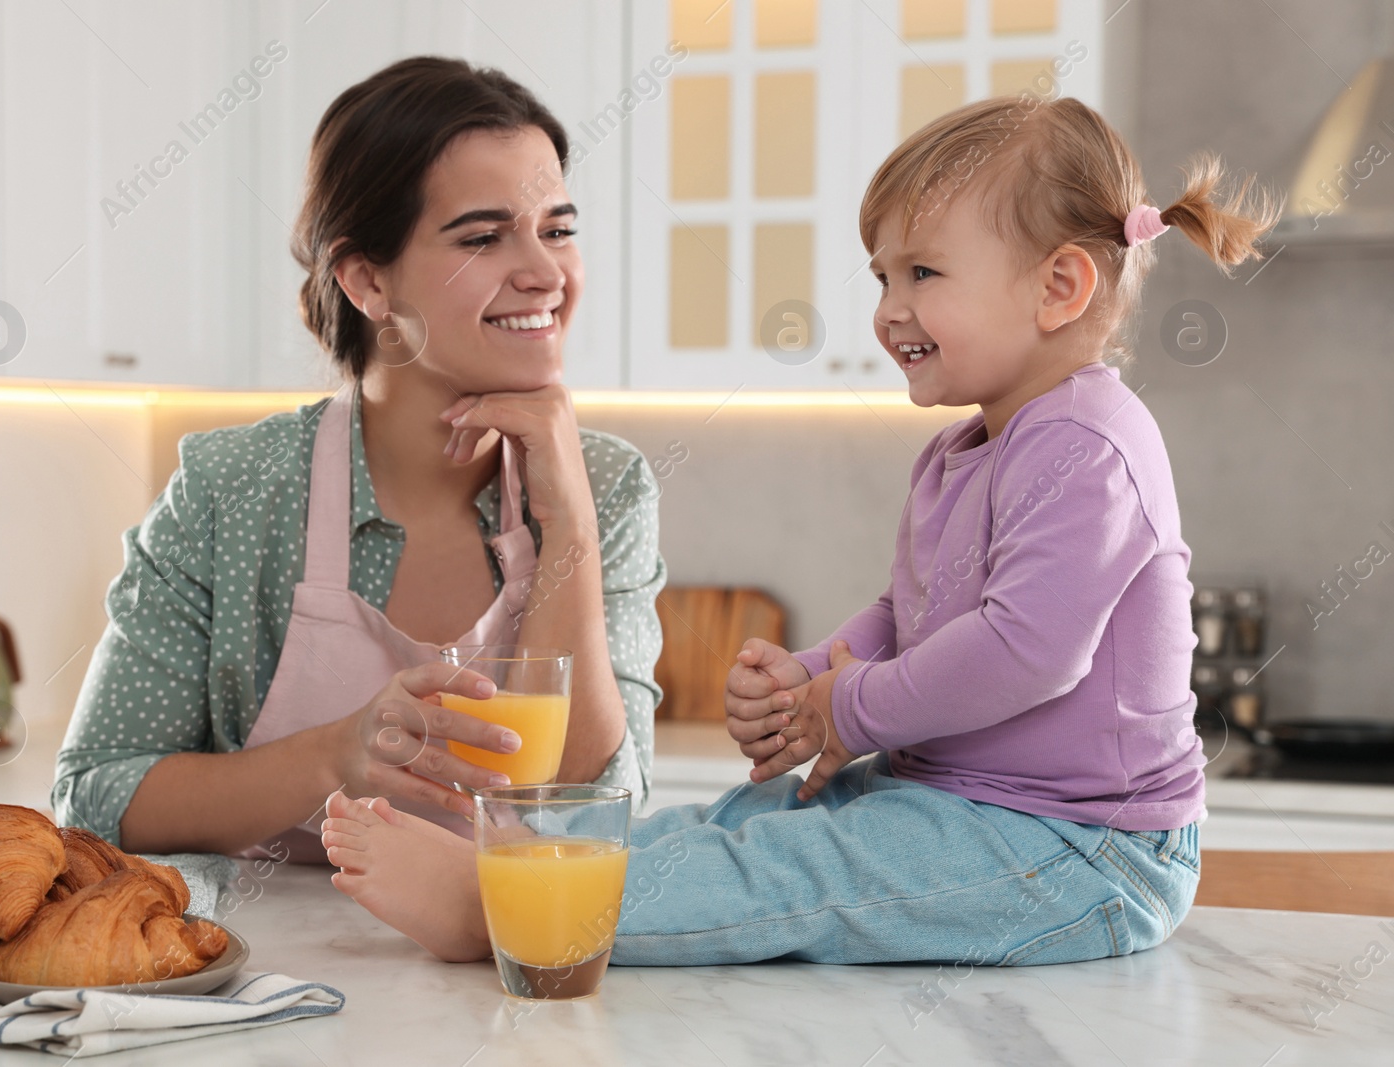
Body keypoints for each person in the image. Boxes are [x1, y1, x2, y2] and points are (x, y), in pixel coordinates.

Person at [320, 93, 1280, 967]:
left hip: (1084, 849)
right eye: (882, 276)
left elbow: (1025, 650)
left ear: (1060, 286)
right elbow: (911, 616)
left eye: (923, 272)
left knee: (800, 870)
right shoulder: (961, 451)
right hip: (965, 805)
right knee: (749, 817)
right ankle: (526, 861)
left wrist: (845, 707)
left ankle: (504, 913)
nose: (888, 309)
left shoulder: (1090, 445)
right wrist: (817, 675)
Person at [51, 57, 665, 862]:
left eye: (557, 229)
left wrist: (570, 519)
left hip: (505, 971)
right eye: (484, 236)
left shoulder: (606, 484)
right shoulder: (230, 491)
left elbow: (593, 802)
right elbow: (94, 799)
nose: (546, 273)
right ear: (368, 280)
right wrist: (336, 755)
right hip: (267, 976)